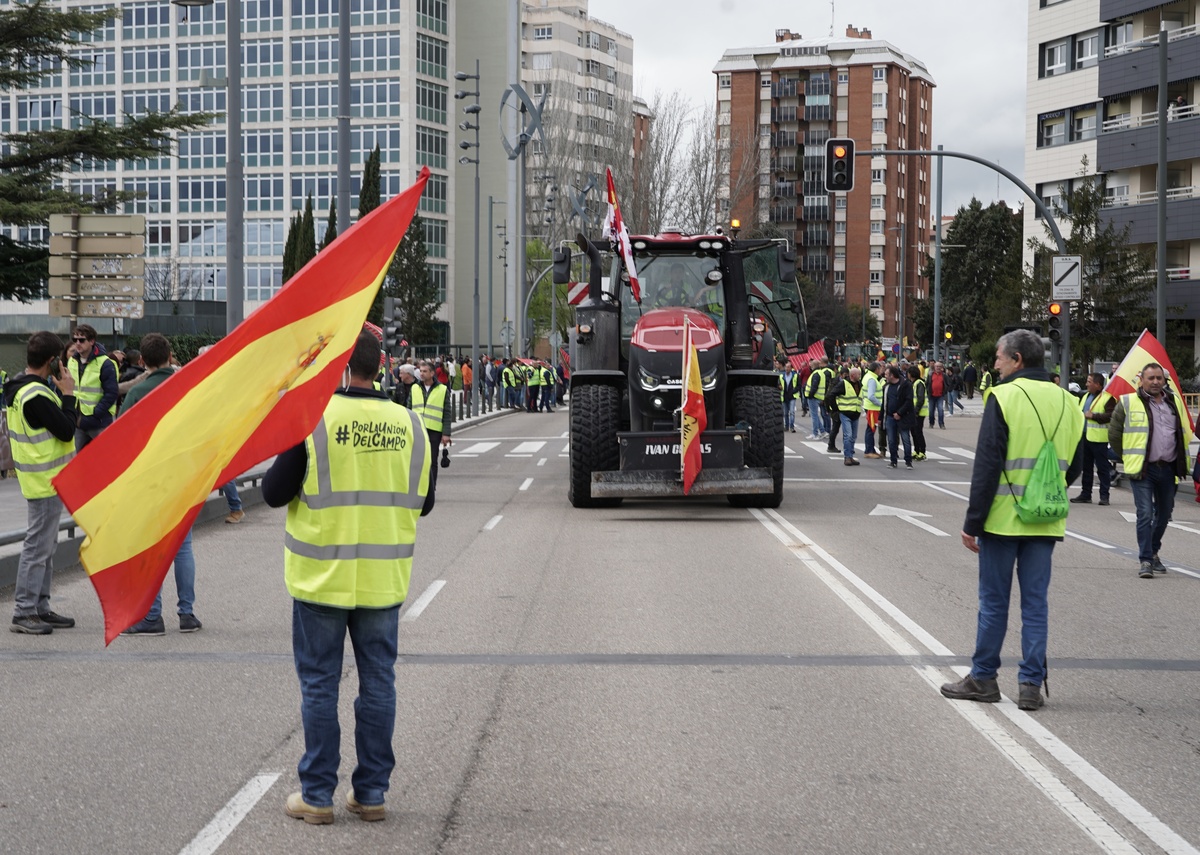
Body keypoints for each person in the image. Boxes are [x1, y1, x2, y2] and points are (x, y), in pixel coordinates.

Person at [262, 328, 433, 825]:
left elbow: (273, 493)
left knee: (320, 685)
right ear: (380, 366)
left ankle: (317, 796)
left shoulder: (314, 422)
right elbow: (425, 503)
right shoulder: (411, 423)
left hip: (321, 580)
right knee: (379, 682)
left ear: (339, 366)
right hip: (382, 582)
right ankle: (372, 793)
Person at [941, 329, 1083, 711]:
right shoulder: (1070, 401)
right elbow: (1076, 465)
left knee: (993, 603)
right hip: (1045, 520)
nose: (996, 365)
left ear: (1017, 359)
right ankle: (1030, 686)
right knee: (1036, 604)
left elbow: (987, 466)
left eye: (1000, 359)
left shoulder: (1003, 396)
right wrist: (1043, 492)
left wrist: (972, 521)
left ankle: (983, 678)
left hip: (1003, 520)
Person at [119, 333, 203, 635]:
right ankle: (187, 613)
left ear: (142, 361)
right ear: (170, 356)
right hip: (184, 478)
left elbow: (122, 443)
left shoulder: (136, 394)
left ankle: (152, 616)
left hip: (150, 482)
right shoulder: (187, 388)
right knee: (183, 547)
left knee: (150, 548)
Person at [4, 332, 77, 634]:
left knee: (46, 545)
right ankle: (24, 611)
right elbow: (66, 430)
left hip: (42, 480)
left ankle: (40, 607)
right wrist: (69, 393)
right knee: (37, 547)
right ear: (53, 361)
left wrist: (60, 393)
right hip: (45, 481)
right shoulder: (35, 395)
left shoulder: (23, 387)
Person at [1109, 363, 1190, 578]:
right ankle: (1145, 560)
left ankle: (1153, 551)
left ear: (1164, 381)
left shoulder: (1174, 403)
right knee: (1144, 513)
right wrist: (1128, 456)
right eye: (1150, 378)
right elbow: (1114, 435)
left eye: (1159, 378)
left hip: (1168, 468)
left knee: (1164, 514)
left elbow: (1182, 434)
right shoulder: (1127, 402)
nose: (1155, 382)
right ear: (1141, 380)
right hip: (1143, 469)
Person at [67, 323, 119, 451]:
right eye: (75, 340)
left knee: (106, 456)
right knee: (74, 459)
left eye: (81, 340)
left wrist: (97, 412)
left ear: (91, 341)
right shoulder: (72, 361)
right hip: (78, 420)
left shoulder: (105, 363)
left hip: (99, 421)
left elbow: (111, 393)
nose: (77, 343)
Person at [1070, 372, 1116, 506]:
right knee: (1086, 468)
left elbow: (1111, 415)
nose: (1086, 384)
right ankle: (1085, 494)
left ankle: (1104, 496)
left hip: (1099, 439)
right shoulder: (1085, 396)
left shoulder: (1107, 398)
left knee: (1102, 468)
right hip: (1085, 437)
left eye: (1089, 382)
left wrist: (1094, 416)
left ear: (1098, 384)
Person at [411, 361, 453, 492]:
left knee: (432, 461)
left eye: (424, 371)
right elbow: (408, 409)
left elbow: (447, 412)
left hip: (434, 431)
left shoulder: (442, 389)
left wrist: (446, 434)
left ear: (432, 373)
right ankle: (418, 488)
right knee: (417, 461)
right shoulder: (415, 388)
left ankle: (431, 488)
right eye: (420, 371)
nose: (421, 374)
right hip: (417, 429)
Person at [882, 364, 915, 470]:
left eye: (886, 374)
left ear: (892, 375)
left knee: (905, 439)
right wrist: (881, 416)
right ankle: (893, 460)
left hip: (903, 417)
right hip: (890, 417)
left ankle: (908, 461)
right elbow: (884, 403)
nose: (885, 376)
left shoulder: (905, 385)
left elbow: (908, 401)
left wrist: (900, 413)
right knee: (891, 440)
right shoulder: (886, 387)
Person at [830, 366, 862, 466]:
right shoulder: (843, 384)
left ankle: (851, 456)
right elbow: (831, 395)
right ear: (852, 375)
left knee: (853, 436)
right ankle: (847, 457)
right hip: (845, 413)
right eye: (858, 374)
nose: (860, 376)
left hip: (855, 413)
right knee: (848, 435)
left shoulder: (859, 384)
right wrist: (835, 408)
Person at [804, 357, 832, 439]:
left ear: (813, 366)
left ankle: (815, 433)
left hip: (813, 397)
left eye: (811, 364)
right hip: (818, 396)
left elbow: (814, 386)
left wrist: (809, 395)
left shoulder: (816, 374)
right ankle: (822, 432)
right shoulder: (821, 373)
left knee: (814, 416)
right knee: (815, 415)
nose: (810, 366)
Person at [861, 361, 883, 458]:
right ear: (876, 369)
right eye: (880, 368)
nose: (881, 370)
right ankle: (869, 451)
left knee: (871, 429)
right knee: (871, 429)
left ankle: (871, 449)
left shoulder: (868, 376)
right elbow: (871, 396)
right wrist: (881, 404)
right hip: (872, 407)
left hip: (870, 406)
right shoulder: (872, 379)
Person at [907, 365, 928, 461]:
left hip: (919, 412)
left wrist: (916, 411)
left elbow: (920, 399)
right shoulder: (914, 383)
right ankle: (916, 450)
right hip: (914, 412)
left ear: (911, 374)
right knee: (914, 432)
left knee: (918, 432)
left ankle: (922, 451)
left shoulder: (919, 383)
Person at [778, 356, 800, 433]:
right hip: (784, 396)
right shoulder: (781, 376)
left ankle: (792, 427)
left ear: (791, 368)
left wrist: (794, 391)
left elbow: (798, 386)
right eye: (786, 367)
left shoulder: (795, 375)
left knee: (792, 412)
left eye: (788, 367)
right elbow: (778, 384)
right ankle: (786, 426)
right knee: (785, 413)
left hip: (792, 396)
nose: (787, 369)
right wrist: (779, 386)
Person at [927, 362, 946, 429]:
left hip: (940, 395)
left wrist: (945, 391)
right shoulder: (930, 375)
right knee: (931, 411)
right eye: (936, 366)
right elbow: (927, 384)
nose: (938, 368)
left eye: (939, 366)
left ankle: (941, 424)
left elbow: (947, 384)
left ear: (941, 367)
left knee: (940, 410)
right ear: (934, 367)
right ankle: (931, 423)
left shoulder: (943, 375)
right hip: (932, 396)